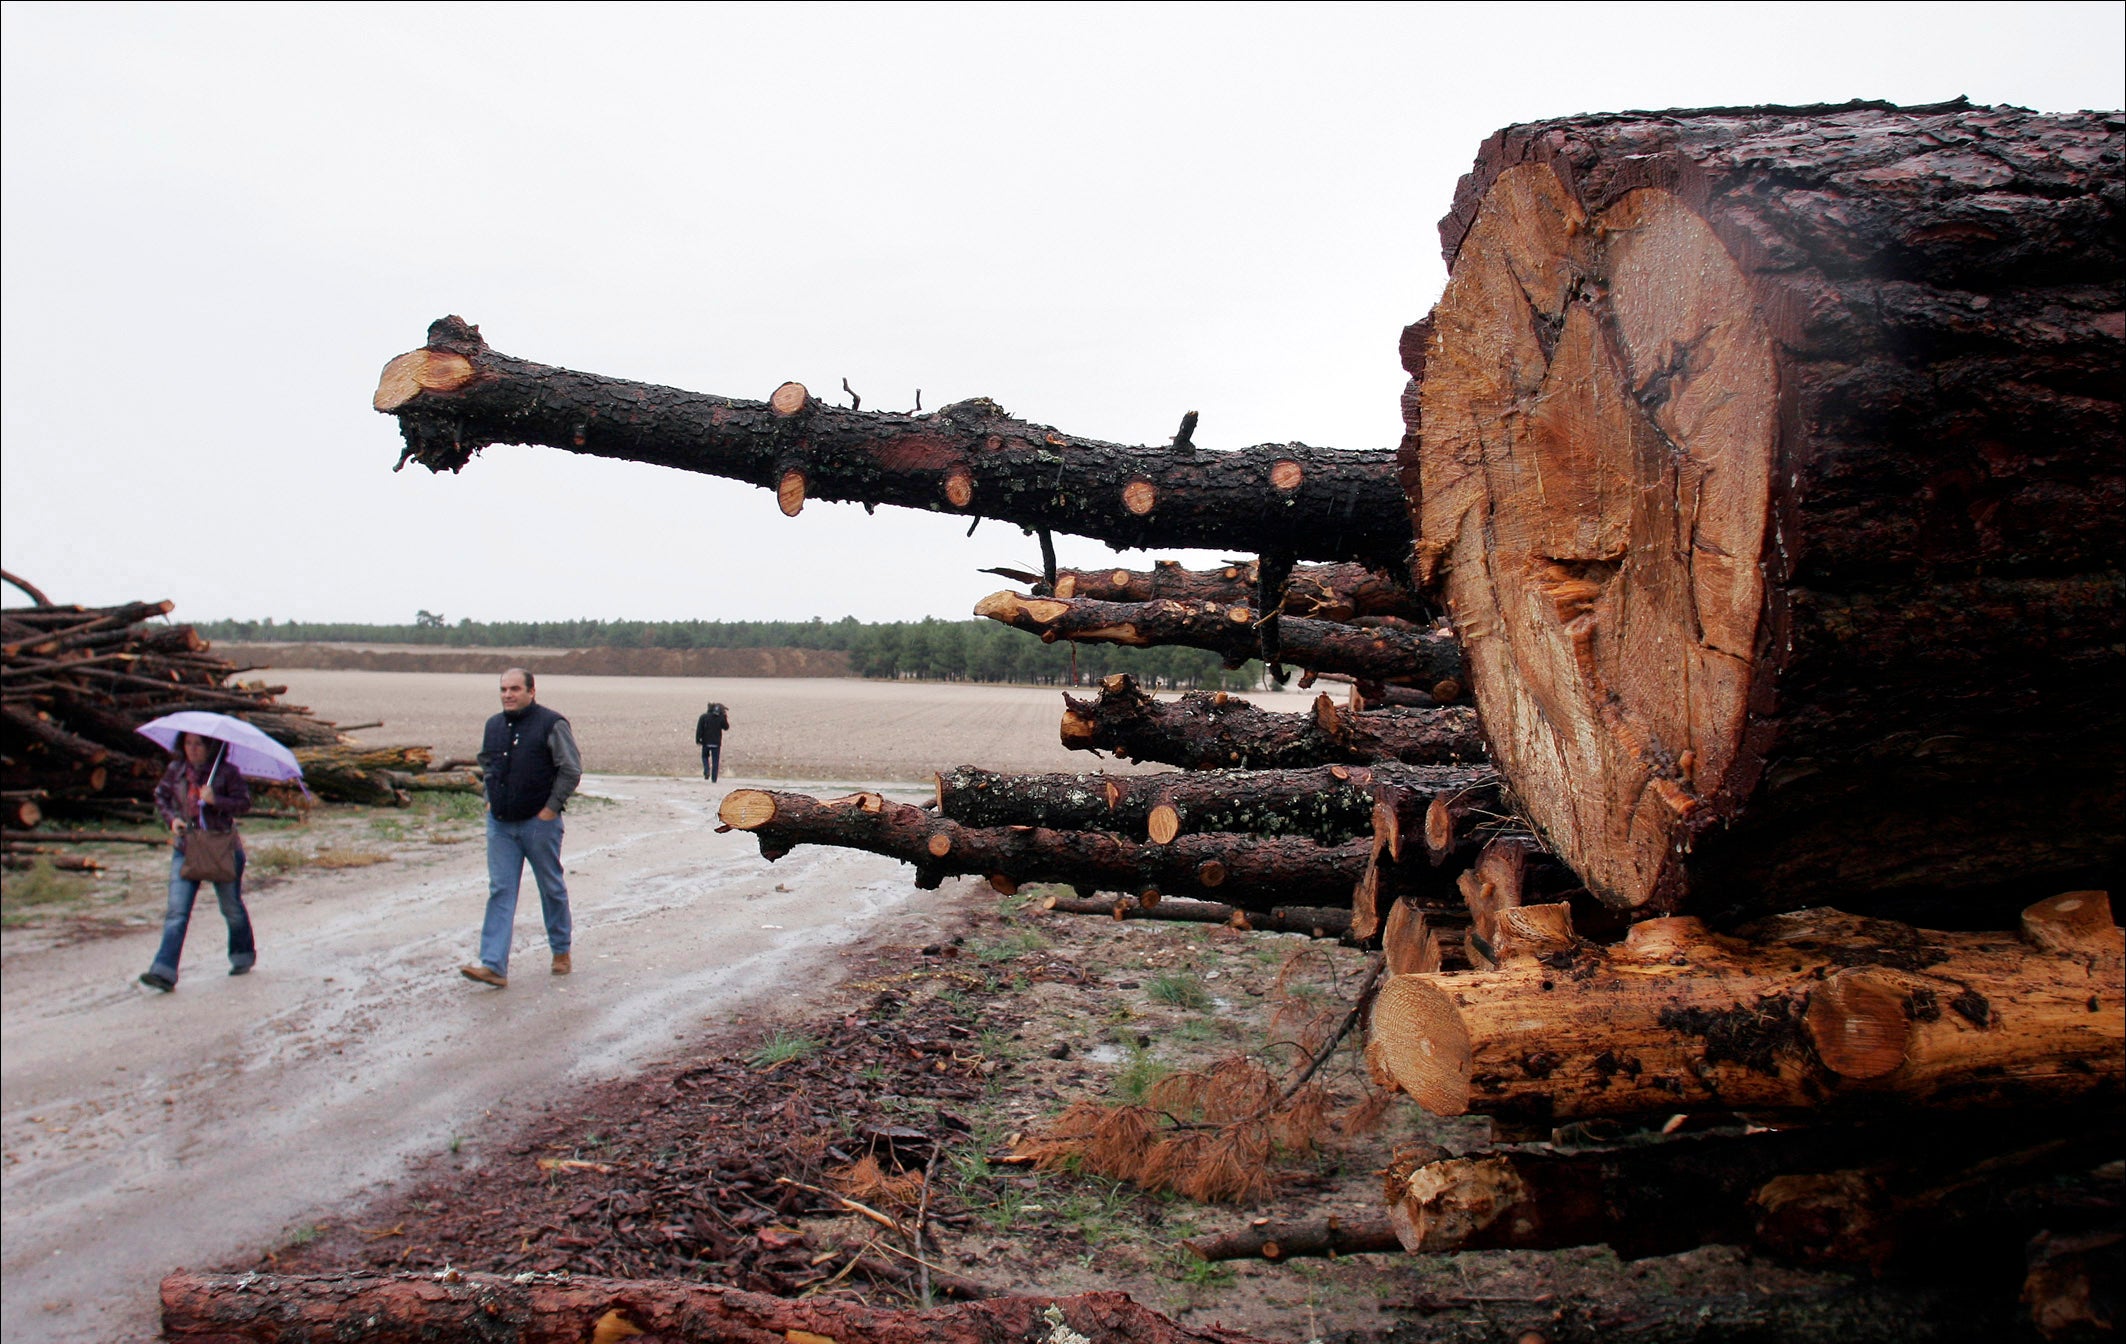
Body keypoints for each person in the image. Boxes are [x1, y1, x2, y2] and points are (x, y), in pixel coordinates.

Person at [461, 667, 582, 989]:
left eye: (514, 689)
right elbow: (488, 766)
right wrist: (489, 799)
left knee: (551, 888)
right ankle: (493, 965)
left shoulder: (551, 724)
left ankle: (561, 950)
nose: (508, 695)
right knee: (501, 890)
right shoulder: (494, 726)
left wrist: (550, 809)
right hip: (500, 824)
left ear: (531, 691)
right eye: (503, 689)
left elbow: (570, 769)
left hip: (538, 824)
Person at [141, 732, 255, 991]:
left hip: (221, 847)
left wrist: (216, 800)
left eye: (198, 744)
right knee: (177, 912)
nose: (192, 749)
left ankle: (242, 954)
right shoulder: (176, 770)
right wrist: (172, 819)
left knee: (231, 907)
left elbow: (244, 804)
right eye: (188, 743)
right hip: (187, 847)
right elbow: (161, 796)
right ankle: (164, 971)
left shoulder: (227, 773)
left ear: (210, 746)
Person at [694, 700, 731, 782]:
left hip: (706, 742)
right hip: (716, 743)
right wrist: (725, 717)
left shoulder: (703, 717)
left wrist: (698, 739)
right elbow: (726, 727)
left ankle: (706, 770)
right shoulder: (720, 718)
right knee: (715, 761)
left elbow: (699, 729)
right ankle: (714, 779)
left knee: (704, 757)